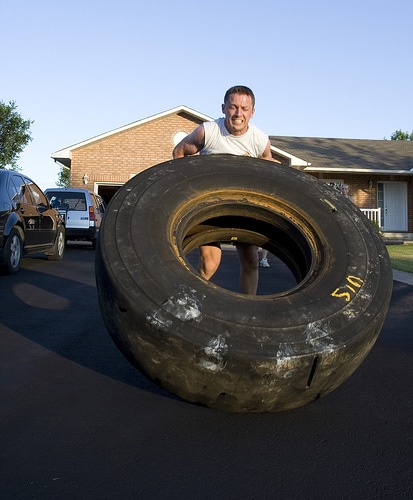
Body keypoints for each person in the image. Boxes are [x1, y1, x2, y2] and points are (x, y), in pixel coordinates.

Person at [173, 85, 273, 295]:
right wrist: (187, 190)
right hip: (210, 207)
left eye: (244, 109)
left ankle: (247, 311)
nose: (238, 114)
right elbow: (179, 152)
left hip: (242, 208)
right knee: (210, 263)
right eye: (233, 107)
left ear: (252, 112)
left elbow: (270, 173)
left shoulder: (259, 140)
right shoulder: (208, 132)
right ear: (223, 108)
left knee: (252, 262)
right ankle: (189, 300)